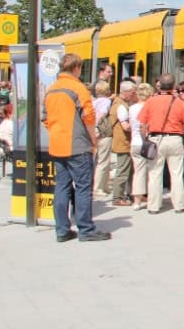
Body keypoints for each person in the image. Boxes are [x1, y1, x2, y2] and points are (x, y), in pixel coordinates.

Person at [44, 53, 111, 242]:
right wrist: (93, 140)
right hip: (78, 145)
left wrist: (56, 131)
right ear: (76, 68)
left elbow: (44, 117)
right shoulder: (77, 88)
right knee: (83, 187)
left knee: (62, 187)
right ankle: (86, 229)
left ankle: (62, 229)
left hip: (57, 145)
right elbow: (89, 117)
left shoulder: (51, 89)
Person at [138, 73, 184, 214]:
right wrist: (180, 130)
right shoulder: (180, 103)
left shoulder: (151, 102)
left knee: (155, 173)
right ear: (173, 85)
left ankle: (153, 207)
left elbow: (142, 124)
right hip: (175, 139)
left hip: (156, 139)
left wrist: (145, 138)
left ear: (159, 85)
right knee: (176, 173)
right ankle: (179, 205)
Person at [110, 81, 137, 206]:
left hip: (122, 141)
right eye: (132, 93)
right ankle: (117, 197)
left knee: (127, 169)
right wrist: (137, 127)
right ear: (126, 93)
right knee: (123, 170)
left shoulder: (118, 103)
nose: (134, 95)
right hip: (123, 142)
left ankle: (128, 193)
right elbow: (125, 126)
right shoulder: (121, 106)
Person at [128, 82, 154, 211]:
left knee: (138, 173)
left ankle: (137, 202)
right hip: (147, 143)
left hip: (135, 143)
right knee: (152, 173)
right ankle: (150, 199)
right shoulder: (150, 107)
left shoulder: (132, 108)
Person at [91, 80, 113, 198]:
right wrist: (98, 126)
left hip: (93, 131)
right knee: (103, 161)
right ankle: (98, 188)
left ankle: (104, 186)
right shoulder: (106, 101)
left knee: (99, 159)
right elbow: (102, 114)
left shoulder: (94, 102)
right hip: (102, 132)